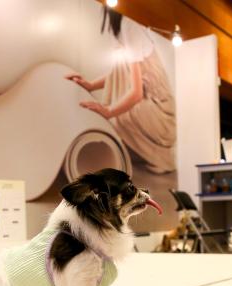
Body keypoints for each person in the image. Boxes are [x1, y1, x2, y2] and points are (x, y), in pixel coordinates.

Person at [65, 7, 176, 174]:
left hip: (162, 111)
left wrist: (109, 111)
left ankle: (161, 158)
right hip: (153, 104)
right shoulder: (122, 28)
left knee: (118, 117)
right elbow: (119, 74)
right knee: (119, 66)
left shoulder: (130, 27)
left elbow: (136, 92)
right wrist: (90, 85)